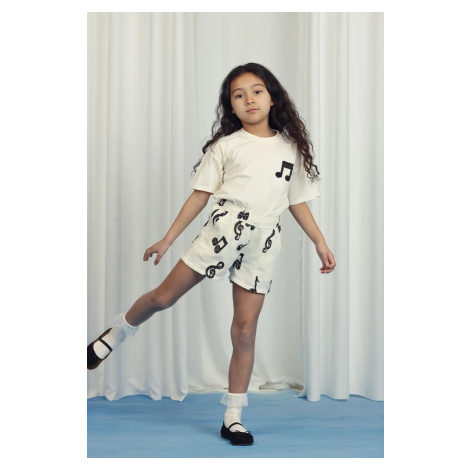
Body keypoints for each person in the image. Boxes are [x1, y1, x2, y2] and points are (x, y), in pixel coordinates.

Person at [87, 62, 336, 446]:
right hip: (222, 232)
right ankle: (117, 331)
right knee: (163, 298)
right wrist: (167, 239)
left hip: (263, 242)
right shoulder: (226, 147)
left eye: (257, 91)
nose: (249, 99)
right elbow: (200, 196)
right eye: (239, 95)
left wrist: (320, 242)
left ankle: (233, 418)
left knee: (245, 331)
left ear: (272, 98)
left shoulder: (290, 148)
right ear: (230, 106)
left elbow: (296, 200)